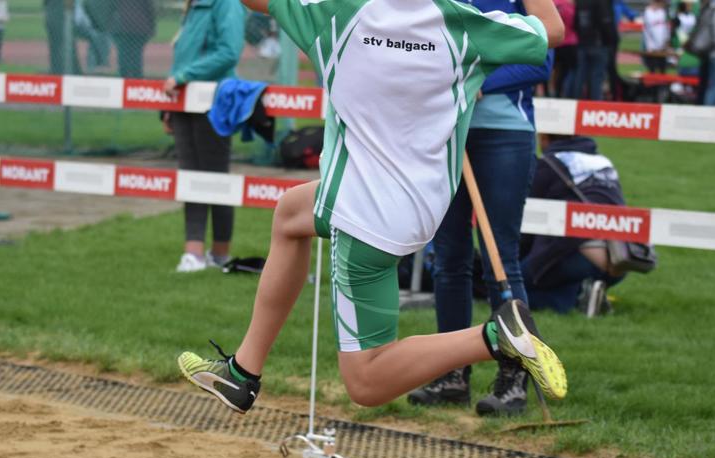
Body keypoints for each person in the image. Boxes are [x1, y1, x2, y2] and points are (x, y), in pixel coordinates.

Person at [177, 0, 568, 414]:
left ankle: (494, 337)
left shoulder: (337, 13)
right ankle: (243, 372)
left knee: (366, 383)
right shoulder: (466, 25)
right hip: (418, 207)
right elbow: (553, 29)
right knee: (291, 213)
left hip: (363, 215)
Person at [406, 5, 555, 416]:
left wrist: (480, 80)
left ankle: (514, 376)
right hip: (446, 131)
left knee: (500, 258)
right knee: (448, 258)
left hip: (506, 133)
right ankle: (452, 373)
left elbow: (541, 58)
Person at [163, 0, 245, 273]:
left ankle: (219, 254)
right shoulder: (193, 5)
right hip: (183, 102)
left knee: (215, 177)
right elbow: (182, 56)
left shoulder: (227, 4)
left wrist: (184, 76)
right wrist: (169, 105)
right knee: (190, 176)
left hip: (214, 100)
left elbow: (229, 52)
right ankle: (194, 253)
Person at [521, 133, 626, 315]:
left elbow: (528, 221)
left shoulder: (549, 164)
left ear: (545, 138)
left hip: (575, 254)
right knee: (556, 279)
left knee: (513, 289)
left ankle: (578, 297)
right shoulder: (603, 161)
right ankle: (589, 291)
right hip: (619, 257)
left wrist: (517, 262)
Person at [574, 0, 617, 99]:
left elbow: (576, 22)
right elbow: (606, 23)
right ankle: (594, 102)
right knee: (597, 77)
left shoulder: (580, 2)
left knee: (580, 76)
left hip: (582, 42)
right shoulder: (601, 3)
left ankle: (577, 101)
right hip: (598, 44)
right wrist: (610, 41)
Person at [111, 0, 156, 78]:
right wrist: (152, 27)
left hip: (122, 26)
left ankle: (125, 75)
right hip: (138, 26)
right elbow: (150, 10)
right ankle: (136, 77)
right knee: (136, 54)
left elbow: (110, 7)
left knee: (124, 53)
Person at [553, 0, 580, 97]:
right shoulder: (570, 5)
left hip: (555, 43)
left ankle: (554, 92)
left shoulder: (553, 4)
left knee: (555, 70)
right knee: (570, 71)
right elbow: (575, 23)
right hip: (569, 43)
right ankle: (567, 93)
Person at [642, 0, 671, 72]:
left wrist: (666, 40)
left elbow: (666, 28)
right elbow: (647, 30)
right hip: (651, 46)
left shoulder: (662, 12)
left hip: (662, 45)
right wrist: (649, 45)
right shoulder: (648, 12)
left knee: (662, 68)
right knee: (652, 69)